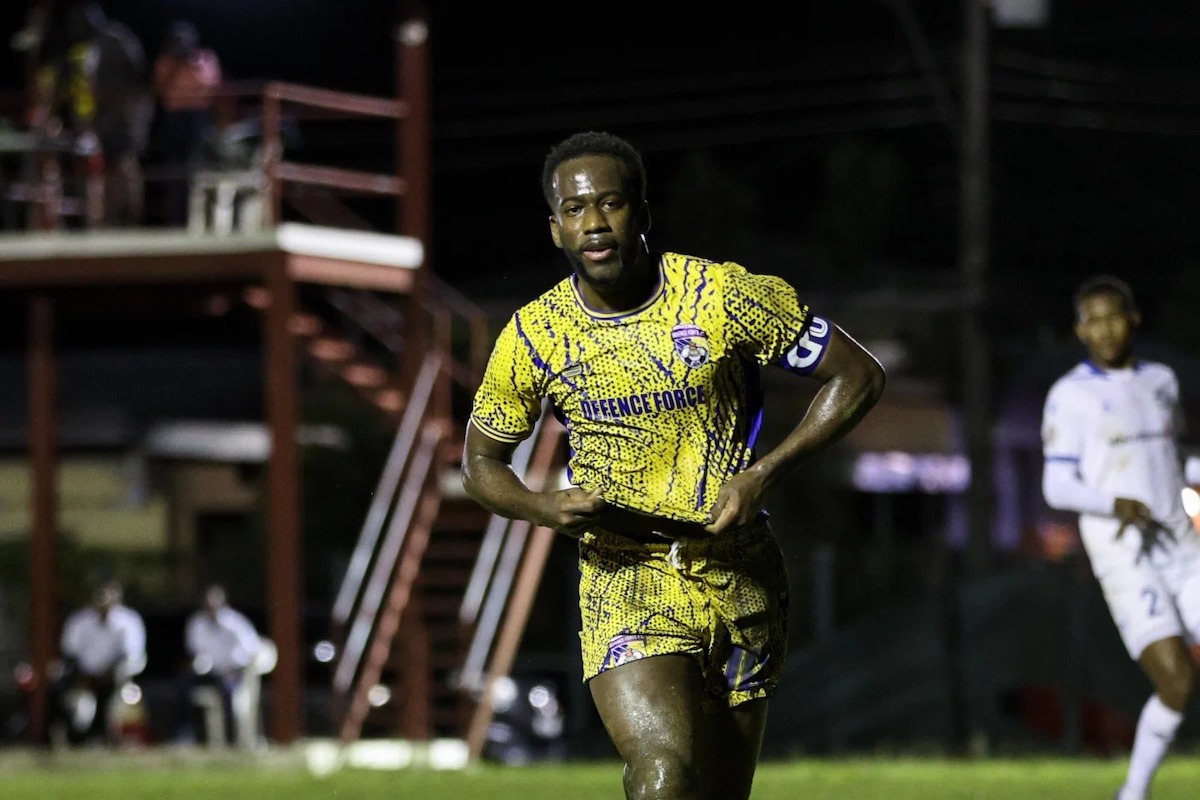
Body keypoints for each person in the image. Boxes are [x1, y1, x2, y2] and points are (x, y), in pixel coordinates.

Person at [462, 130, 886, 799]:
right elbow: (482, 463)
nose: (594, 223)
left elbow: (857, 376)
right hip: (624, 574)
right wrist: (541, 505)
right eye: (575, 210)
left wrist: (764, 472)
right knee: (662, 778)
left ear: (642, 212)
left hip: (740, 570)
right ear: (555, 229)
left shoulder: (722, 297)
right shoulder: (533, 336)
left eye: (610, 204)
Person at [1041, 274, 1200, 800]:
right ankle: (1134, 792)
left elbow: (1172, 458)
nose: (1105, 329)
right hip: (1125, 559)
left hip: (1181, 546)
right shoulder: (1070, 396)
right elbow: (1056, 483)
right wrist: (1115, 504)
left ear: (1133, 319)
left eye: (1114, 316)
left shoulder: (1161, 380)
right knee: (1176, 681)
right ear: (1080, 331)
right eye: (1093, 320)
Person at [28, 1, 153, 226]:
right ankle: (106, 220)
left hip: (122, 116)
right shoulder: (90, 46)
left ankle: (130, 217)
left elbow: (137, 77)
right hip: (101, 119)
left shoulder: (116, 38)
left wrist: (133, 116)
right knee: (102, 173)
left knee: (124, 167)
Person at [51, 579, 147, 746]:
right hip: (83, 676)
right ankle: (67, 736)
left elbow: (130, 654)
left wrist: (107, 673)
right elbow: (70, 652)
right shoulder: (79, 621)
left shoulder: (128, 621)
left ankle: (106, 734)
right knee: (57, 686)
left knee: (113, 688)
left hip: (114, 676)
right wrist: (81, 676)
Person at [152, 20, 223, 226]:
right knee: (175, 171)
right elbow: (160, 87)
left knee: (198, 169)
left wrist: (192, 64)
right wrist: (175, 65)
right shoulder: (165, 61)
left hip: (198, 118)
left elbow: (211, 86)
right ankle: (176, 220)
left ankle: (199, 219)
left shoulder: (205, 59)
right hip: (174, 119)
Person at [179, 584, 266, 746]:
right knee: (184, 685)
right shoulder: (197, 624)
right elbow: (194, 651)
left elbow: (251, 648)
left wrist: (233, 665)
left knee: (227, 693)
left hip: (232, 673)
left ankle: (232, 739)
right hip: (208, 673)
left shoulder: (235, 623)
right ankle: (186, 733)